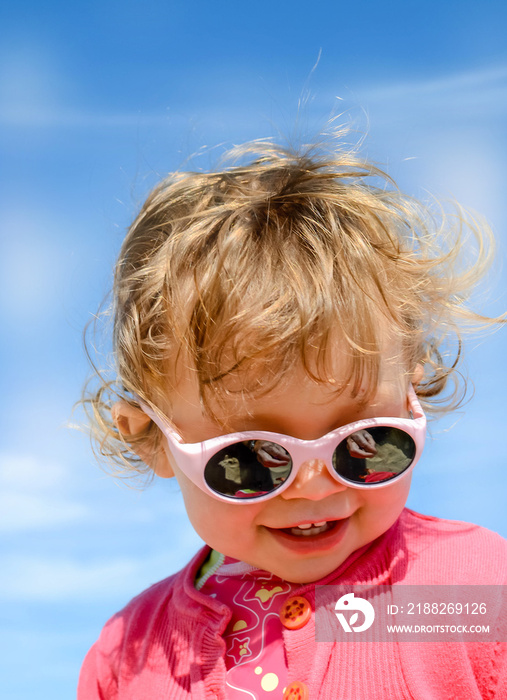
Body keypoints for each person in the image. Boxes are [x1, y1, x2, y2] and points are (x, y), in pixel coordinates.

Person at [78, 137, 507, 699]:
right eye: (251, 458)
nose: (311, 488)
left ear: (411, 399)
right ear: (151, 439)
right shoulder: (126, 655)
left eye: (366, 443)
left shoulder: (476, 593)